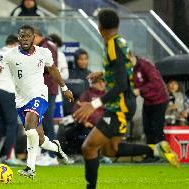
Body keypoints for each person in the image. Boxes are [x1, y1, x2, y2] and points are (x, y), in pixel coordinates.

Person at [73, 9, 180, 189]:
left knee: (88, 147)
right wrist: (105, 74)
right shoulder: (121, 42)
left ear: (100, 27)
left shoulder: (112, 46)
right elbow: (126, 70)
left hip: (119, 107)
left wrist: (94, 104)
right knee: (110, 149)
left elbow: (121, 84)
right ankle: (155, 149)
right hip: (123, 104)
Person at [0, 25, 74, 179]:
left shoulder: (44, 52)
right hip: (21, 99)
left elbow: (53, 70)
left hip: (39, 94)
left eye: (28, 36)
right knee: (40, 139)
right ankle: (57, 148)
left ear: (34, 37)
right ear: (18, 38)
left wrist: (65, 87)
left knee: (29, 126)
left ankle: (30, 168)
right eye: (22, 36)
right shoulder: (10, 54)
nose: (25, 38)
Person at [0, 34, 23, 165]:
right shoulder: (13, 53)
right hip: (8, 91)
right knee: (12, 124)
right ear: (15, 44)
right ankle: (9, 156)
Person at [129, 52, 170, 145]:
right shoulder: (131, 69)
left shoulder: (145, 65)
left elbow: (155, 83)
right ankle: (150, 154)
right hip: (148, 101)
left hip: (160, 100)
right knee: (147, 129)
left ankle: (161, 154)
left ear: (131, 56)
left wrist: (139, 90)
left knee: (157, 128)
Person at [33, 28, 60, 162]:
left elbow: (50, 66)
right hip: (43, 89)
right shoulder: (41, 47)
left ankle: (52, 156)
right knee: (43, 121)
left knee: (48, 122)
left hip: (48, 89)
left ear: (38, 36)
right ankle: (46, 153)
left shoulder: (48, 47)